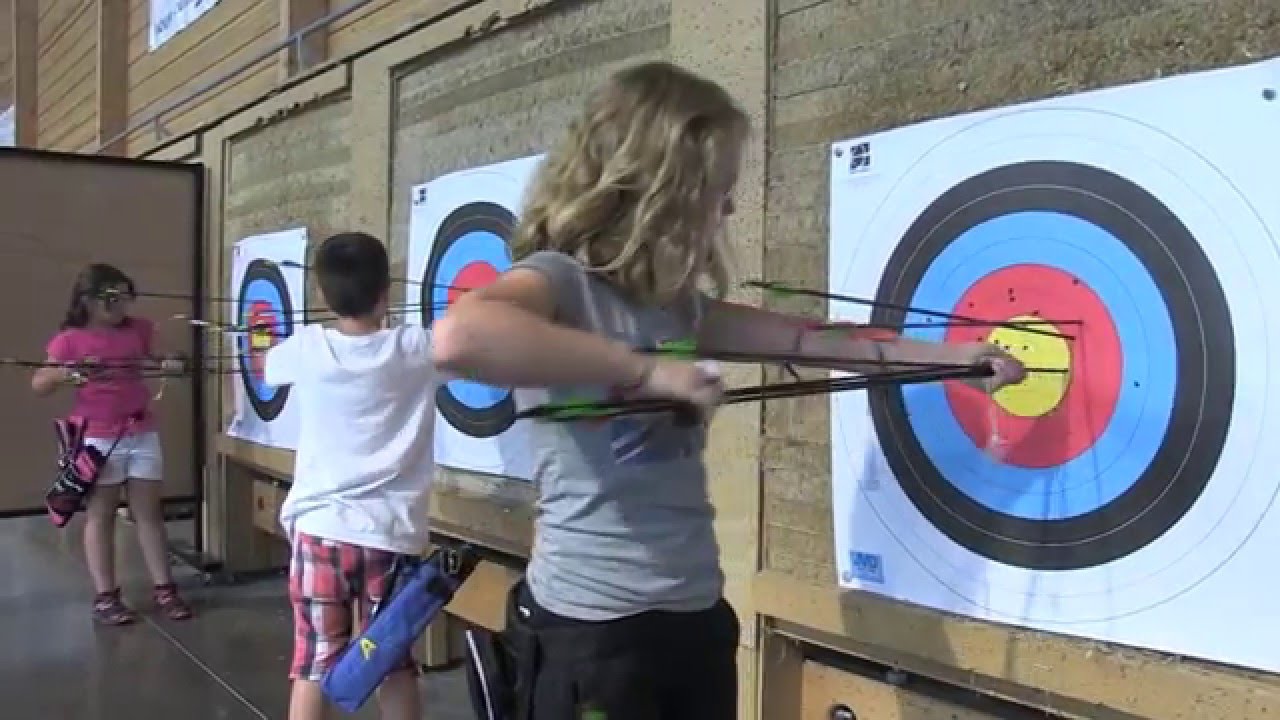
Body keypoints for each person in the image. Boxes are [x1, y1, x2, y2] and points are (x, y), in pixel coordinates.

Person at [431, 61, 1027, 720]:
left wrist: (956, 357)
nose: (731, 205)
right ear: (662, 184)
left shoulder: (675, 307)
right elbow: (463, 336)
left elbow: (809, 340)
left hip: (695, 622)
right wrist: (645, 371)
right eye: (719, 186)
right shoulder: (559, 283)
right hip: (594, 637)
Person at [263, 231, 440, 720]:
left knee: (314, 663)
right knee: (393, 660)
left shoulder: (307, 347)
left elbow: (267, 367)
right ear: (387, 290)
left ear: (322, 295)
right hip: (391, 534)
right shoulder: (417, 346)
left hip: (321, 530)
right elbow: (468, 347)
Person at [32, 263, 193, 625]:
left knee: (149, 513)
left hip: (141, 432)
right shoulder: (70, 338)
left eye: (125, 297)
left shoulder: (140, 329)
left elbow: (171, 359)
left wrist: (173, 363)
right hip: (97, 439)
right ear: (88, 300)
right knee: (101, 515)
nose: (121, 305)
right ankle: (106, 596)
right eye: (111, 298)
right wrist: (70, 373)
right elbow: (40, 383)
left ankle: (164, 588)